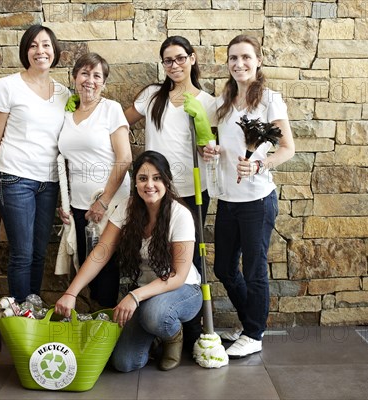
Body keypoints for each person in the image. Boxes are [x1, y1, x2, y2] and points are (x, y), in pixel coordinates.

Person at [54, 151, 203, 372]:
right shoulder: (127, 207)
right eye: (143, 178)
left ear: (166, 180)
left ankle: (172, 335)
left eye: (156, 178)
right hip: (145, 293)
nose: (149, 185)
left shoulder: (179, 214)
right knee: (124, 363)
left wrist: (134, 296)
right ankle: (153, 333)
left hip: (183, 290)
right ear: (135, 182)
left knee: (155, 313)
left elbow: (178, 276)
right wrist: (71, 293)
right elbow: (100, 253)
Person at [123, 36, 215, 348]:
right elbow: (119, 122)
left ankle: (194, 335)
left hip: (191, 191)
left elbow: (212, 149)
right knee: (155, 253)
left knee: (190, 263)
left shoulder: (208, 103)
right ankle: (161, 323)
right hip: (154, 191)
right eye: (167, 60)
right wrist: (84, 111)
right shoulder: (152, 96)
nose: (174, 65)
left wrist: (202, 123)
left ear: (192, 58)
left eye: (179, 58)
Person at [207, 35, 295, 358]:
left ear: (258, 60)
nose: (239, 64)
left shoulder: (270, 99)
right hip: (228, 199)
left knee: (254, 269)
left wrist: (259, 163)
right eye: (233, 58)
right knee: (224, 268)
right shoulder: (224, 102)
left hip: (258, 200)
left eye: (245, 57)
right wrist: (213, 149)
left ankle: (255, 334)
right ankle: (249, 321)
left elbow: (287, 148)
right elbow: (219, 143)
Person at [0, 24, 70, 304]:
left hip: (50, 182)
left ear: (54, 51)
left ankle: (34, 307)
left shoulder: (65, 93)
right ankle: (20, 315)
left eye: (45, 45)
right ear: (25, 51)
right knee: (22, 252)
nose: (40, 51)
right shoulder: (8, 86)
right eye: (33, 45)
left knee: (40, 252)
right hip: (14, 179)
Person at [58, 52, 132, 308]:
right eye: (85, 74)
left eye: (97, 75)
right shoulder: (65, 115)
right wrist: (64, 204)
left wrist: (104, 201)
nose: (90, 80)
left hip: (110, 203)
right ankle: (94, 326)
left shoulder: (111, 110)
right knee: (86, 265)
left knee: (107, 268)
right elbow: (63, 163)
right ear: (74, 78)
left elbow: (124, 158)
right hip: (79, 206)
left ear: (104, 83)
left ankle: (108, 334)